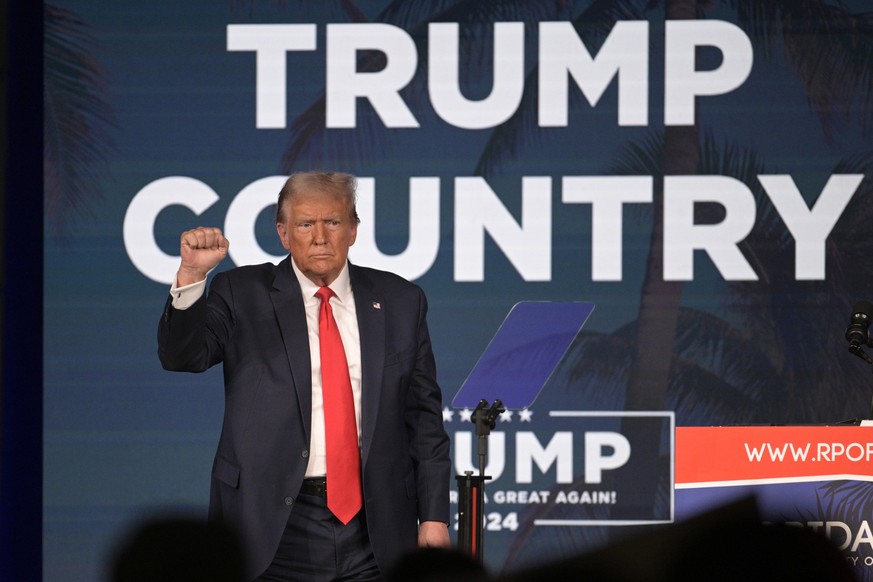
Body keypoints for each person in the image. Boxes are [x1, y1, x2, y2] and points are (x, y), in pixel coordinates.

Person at [158, 171, 451, 581]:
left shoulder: (401, 300)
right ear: (283, 233)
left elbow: (423, 419)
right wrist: (191, 278)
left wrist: (435, 516)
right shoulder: (242, 292)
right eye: (305, 224)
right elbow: (182, 356)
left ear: (353, 230)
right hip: (270, 525)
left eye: (332, 222)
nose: (320, 236)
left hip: (375, 525)